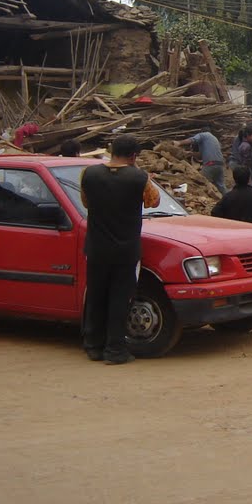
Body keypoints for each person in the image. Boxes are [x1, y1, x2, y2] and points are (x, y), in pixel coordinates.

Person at [80, 133, 160, 365]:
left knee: (95, 295)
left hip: (96, 247)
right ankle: (115, 350)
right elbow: (153, 201)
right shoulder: (139, 178)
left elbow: (85, 202)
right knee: (119, 298)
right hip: (125, 250)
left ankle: (93, 346)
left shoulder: (89, 174)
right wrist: (147, 179)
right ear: (134, 156)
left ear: (111, 151)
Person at [179, 128, 226, 195]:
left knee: (202, 184)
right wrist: (191, 153)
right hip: (220, 164)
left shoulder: (203, 135)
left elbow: (192, 140)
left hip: (210, 164)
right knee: (221, 186)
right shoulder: (214, 139)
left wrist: (179, 143)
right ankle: (231, 200)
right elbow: (201, 155)